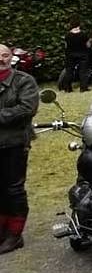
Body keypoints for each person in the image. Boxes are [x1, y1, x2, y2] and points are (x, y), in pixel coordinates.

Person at [0, 44, 39, 255]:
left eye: (5, 55)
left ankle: (15, 234)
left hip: (14, 142)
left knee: (14, 188)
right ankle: (2, 229)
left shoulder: (23, 80)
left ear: (11, 57)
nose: (2, 60)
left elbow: (27, 108)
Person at [60, 18, 92, 93]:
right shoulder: (83, 34)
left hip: (70, 55)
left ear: (71, 25)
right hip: (83, 54)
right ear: (79, 25)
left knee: (69, 71)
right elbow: (88, 45)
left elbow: (66, 46)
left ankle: (67, 88)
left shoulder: (67, 35)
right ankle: (83, 88)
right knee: (83, 71)